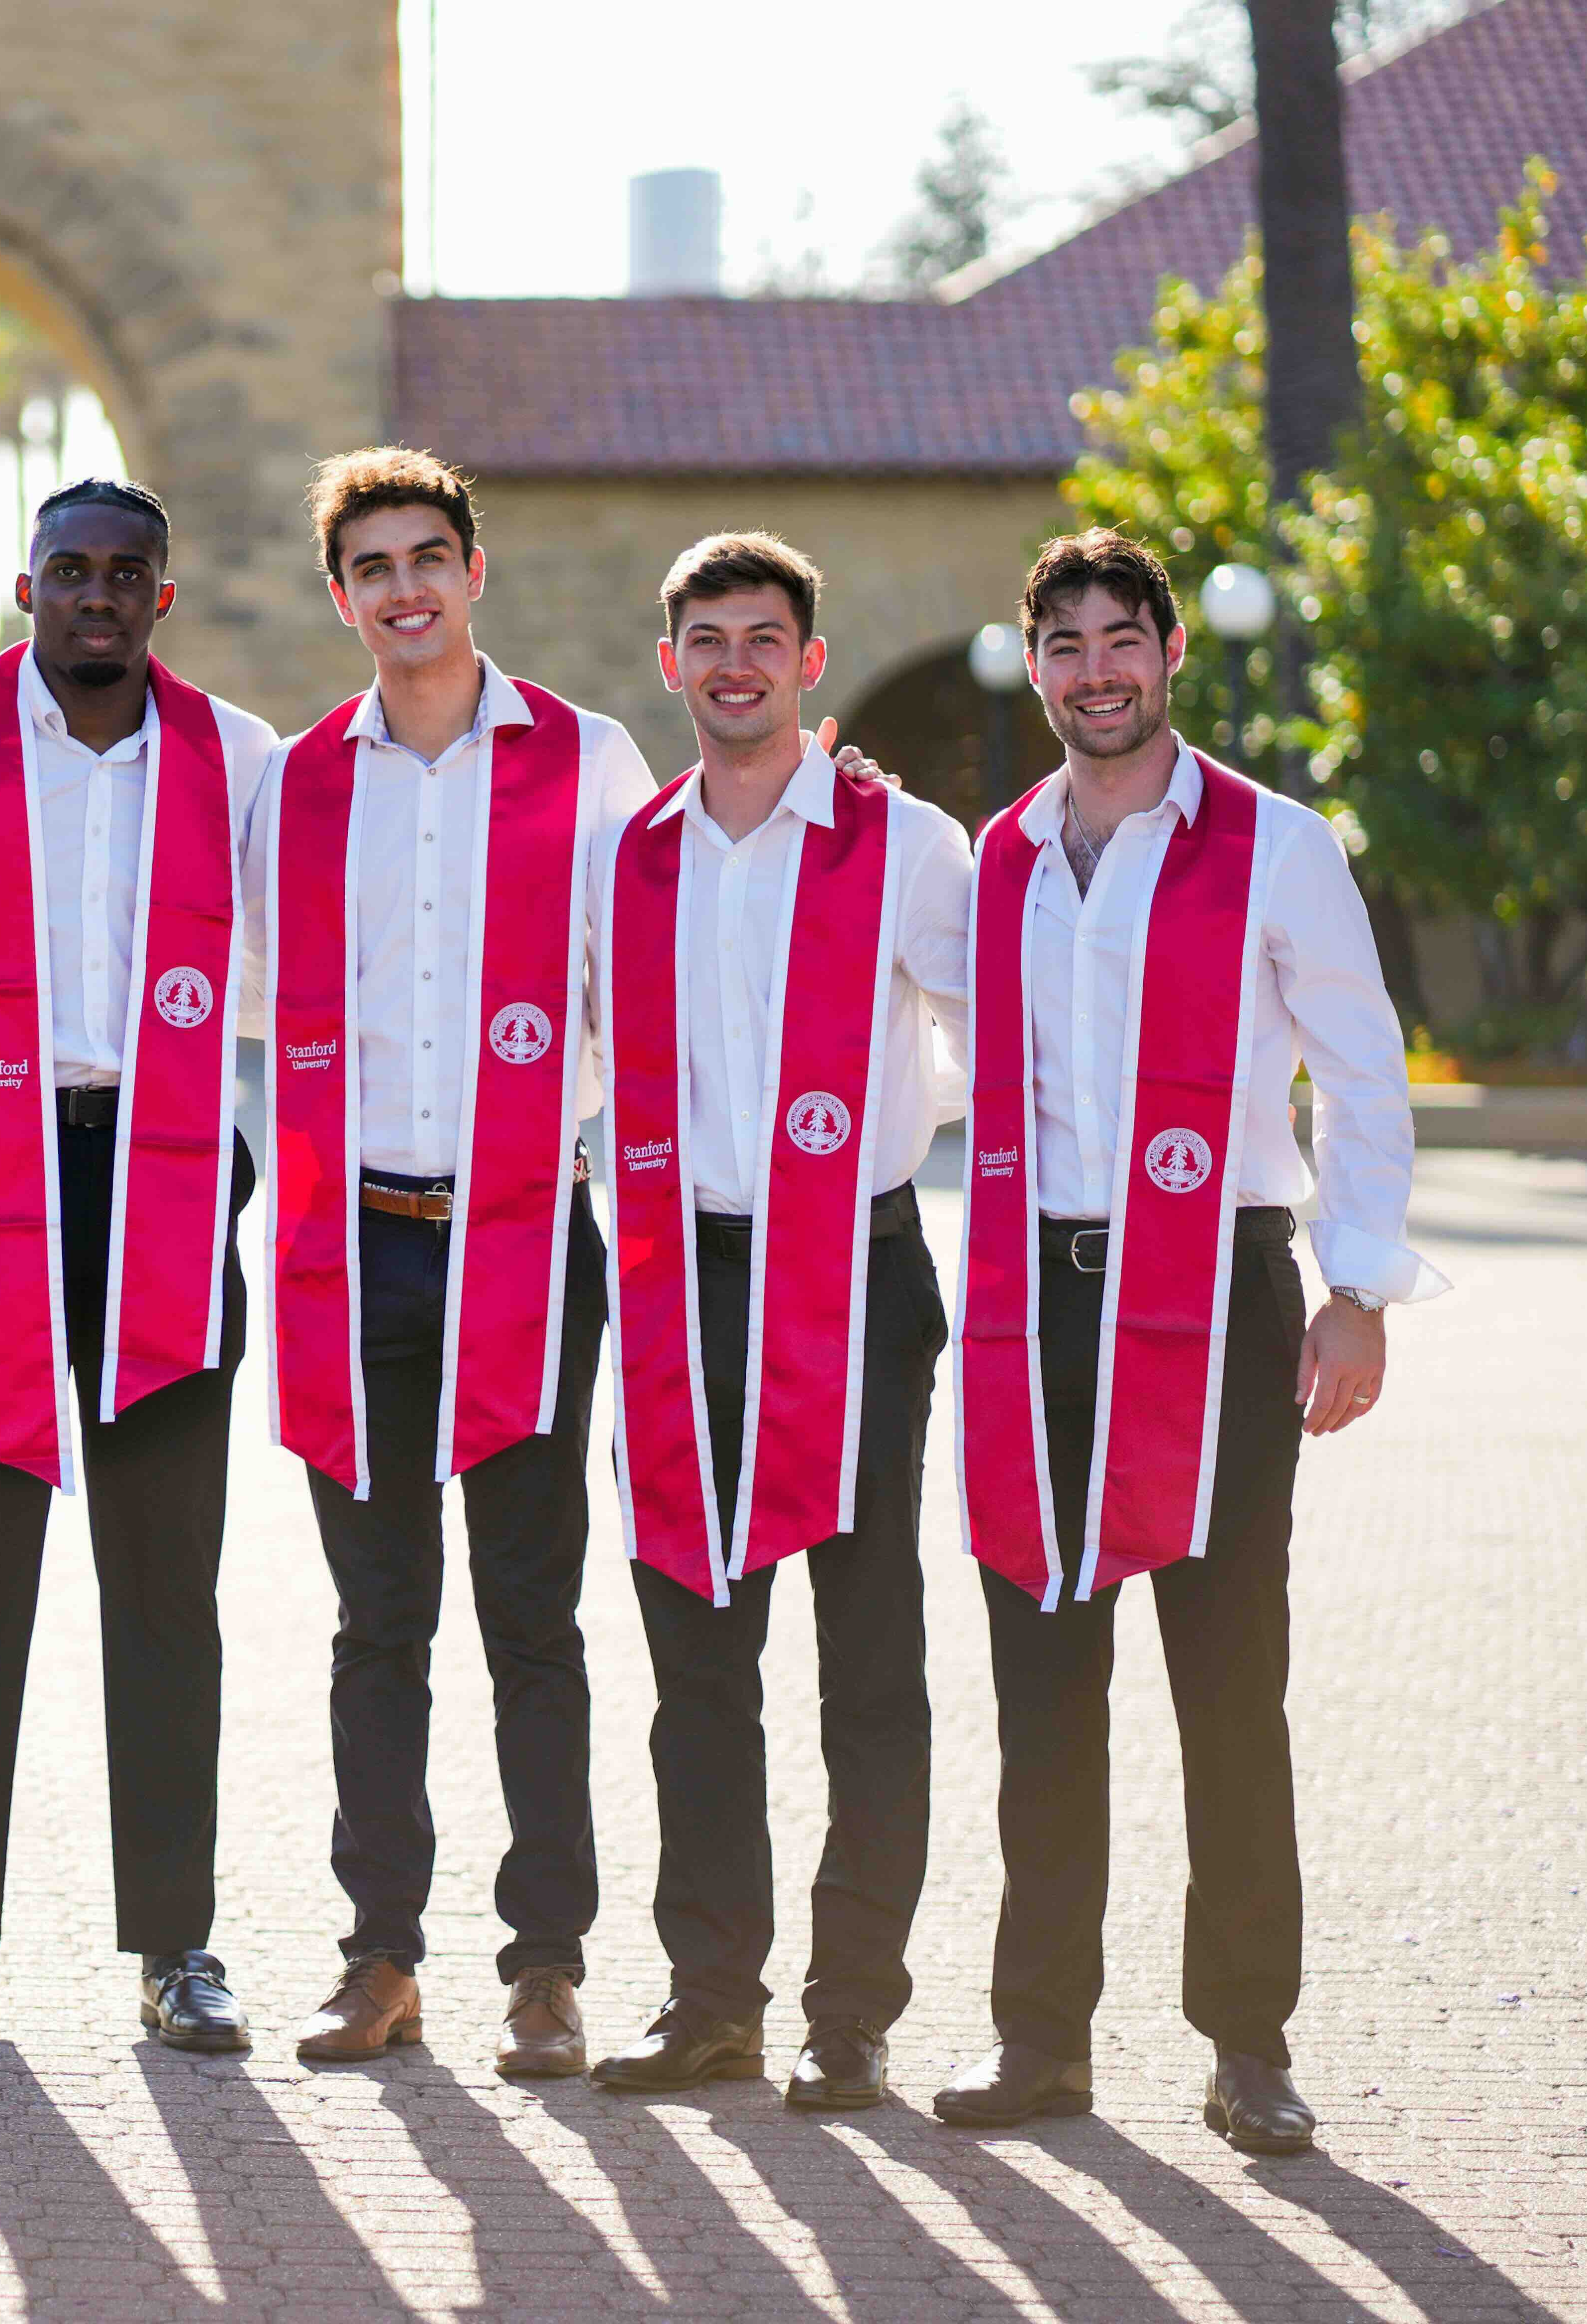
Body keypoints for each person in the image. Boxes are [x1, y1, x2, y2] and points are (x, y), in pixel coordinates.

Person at [933, 529, 1442, 2153]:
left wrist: (1358, 1288)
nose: (1095, 672)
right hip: (1037, 1304)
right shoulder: (1002, 856)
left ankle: (1248, 2043)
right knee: (1043, 1687)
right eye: (1064, 644)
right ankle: (1040, 2041)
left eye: (1120, 640)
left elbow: (1361, 1073)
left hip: (1218, 1294)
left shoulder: (1276, 846)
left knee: (1228, 1682)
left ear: (1169, 653)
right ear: (1037, 664)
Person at [0, 479, 281, 2051]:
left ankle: (178, 1945)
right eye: (69, 569)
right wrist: (2, 1023)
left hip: (170, 1170)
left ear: (162, 595)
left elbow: (285, 956)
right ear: (25, 587)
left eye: (125, 572)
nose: (96, 593)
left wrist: (174, 1031)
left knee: (166, 1581)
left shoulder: (240, 756)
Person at [252, 449, 656, 2080]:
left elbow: (643, 971)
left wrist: (571, 1132)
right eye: (374, 565)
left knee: (534, 1616)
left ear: (474, 572)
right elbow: (256, 993)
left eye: (430, 556)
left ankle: (547, 1966)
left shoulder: (587, 757)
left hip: (525, 1242)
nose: (405, 587)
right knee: (377, 1621)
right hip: (353, 1250)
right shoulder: (298, 785)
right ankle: (381, 1955)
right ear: (340, 595)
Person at [579, 532, 969, 2111]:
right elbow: (581, 1048)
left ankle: (852, 2010)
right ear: (669, 662)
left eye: (763, 638)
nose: (734, 665)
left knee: (866, 1659)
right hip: (681, 1284)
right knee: (698, 1665)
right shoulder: (627, 858)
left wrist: (902, 1122)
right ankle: (711, 1997)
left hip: (855, 1277)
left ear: (810, 663)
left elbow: (994, 1033)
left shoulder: (909, 845)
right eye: (707, 639)